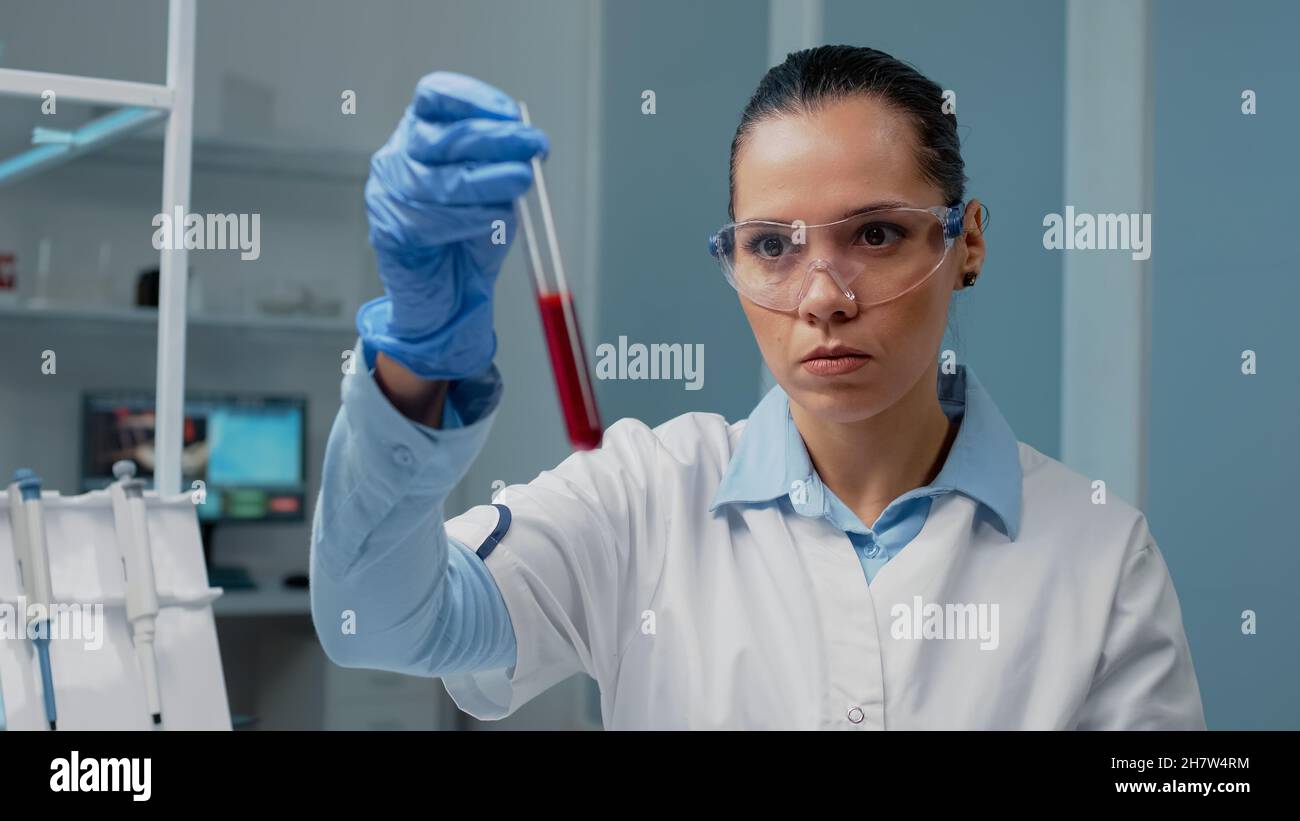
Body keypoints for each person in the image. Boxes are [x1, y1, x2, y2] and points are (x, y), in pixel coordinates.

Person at [310, 46, 1205, 730]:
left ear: (965, 241)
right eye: (772, 245)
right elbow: (376, 623)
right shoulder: (642, 498)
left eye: (878, 234)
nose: (823, 297)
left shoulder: (1100, 555)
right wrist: (417, 362)